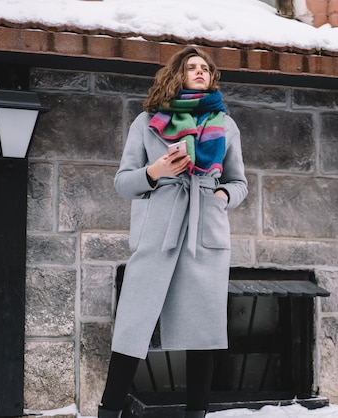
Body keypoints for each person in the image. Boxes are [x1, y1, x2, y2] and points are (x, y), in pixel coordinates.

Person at [98, 47, 248, 418]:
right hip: (158, 231)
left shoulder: (224, 125)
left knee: (203, 331)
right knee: (133, 325)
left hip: (204, 230)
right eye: (191, 67)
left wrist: (223, 195)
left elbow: (239, 181)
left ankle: (196, 413)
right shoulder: (147, 121)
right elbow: (122, 183)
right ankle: (109, 412)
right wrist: (156, 171)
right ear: (177, 75)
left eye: (205, 68)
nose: (199, 72)